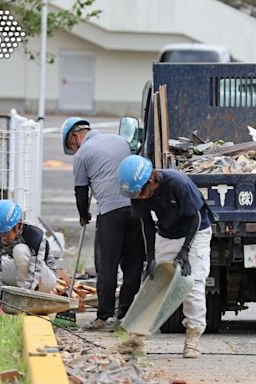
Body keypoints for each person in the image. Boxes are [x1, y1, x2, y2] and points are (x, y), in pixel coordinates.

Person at [117, 154, 212, 358]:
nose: (139, 198)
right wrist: (150, 257)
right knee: (155, 283)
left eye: (141, 193)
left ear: (151, 180)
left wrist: (185, 251)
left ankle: (192, 338)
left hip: (195, 232)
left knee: (192, 283)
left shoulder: (178, 182)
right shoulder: (137, 192)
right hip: (166, 233)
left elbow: (195, 217)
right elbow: (147, 225)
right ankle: (137, 339)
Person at [61, 117, 144, 331]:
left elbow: (81, 192)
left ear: (76, 136)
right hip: (136, 208)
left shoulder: (81, 155)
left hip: (110, 212)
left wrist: (83, 215)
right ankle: (126, 315)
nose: (74, 148)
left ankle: (103, 316)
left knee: (106, 266)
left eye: (71, 145)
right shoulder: (121, 142)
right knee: (133, 265)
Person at [0, 199, 57, 315]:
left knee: (20, 250)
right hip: (21, 275)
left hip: (43, 280)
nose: (1, 238)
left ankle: (24, 299)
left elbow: (35, 272)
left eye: (5, 234)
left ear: (17, 225)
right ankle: (2, 298)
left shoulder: (34, 235)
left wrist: (23, 298)